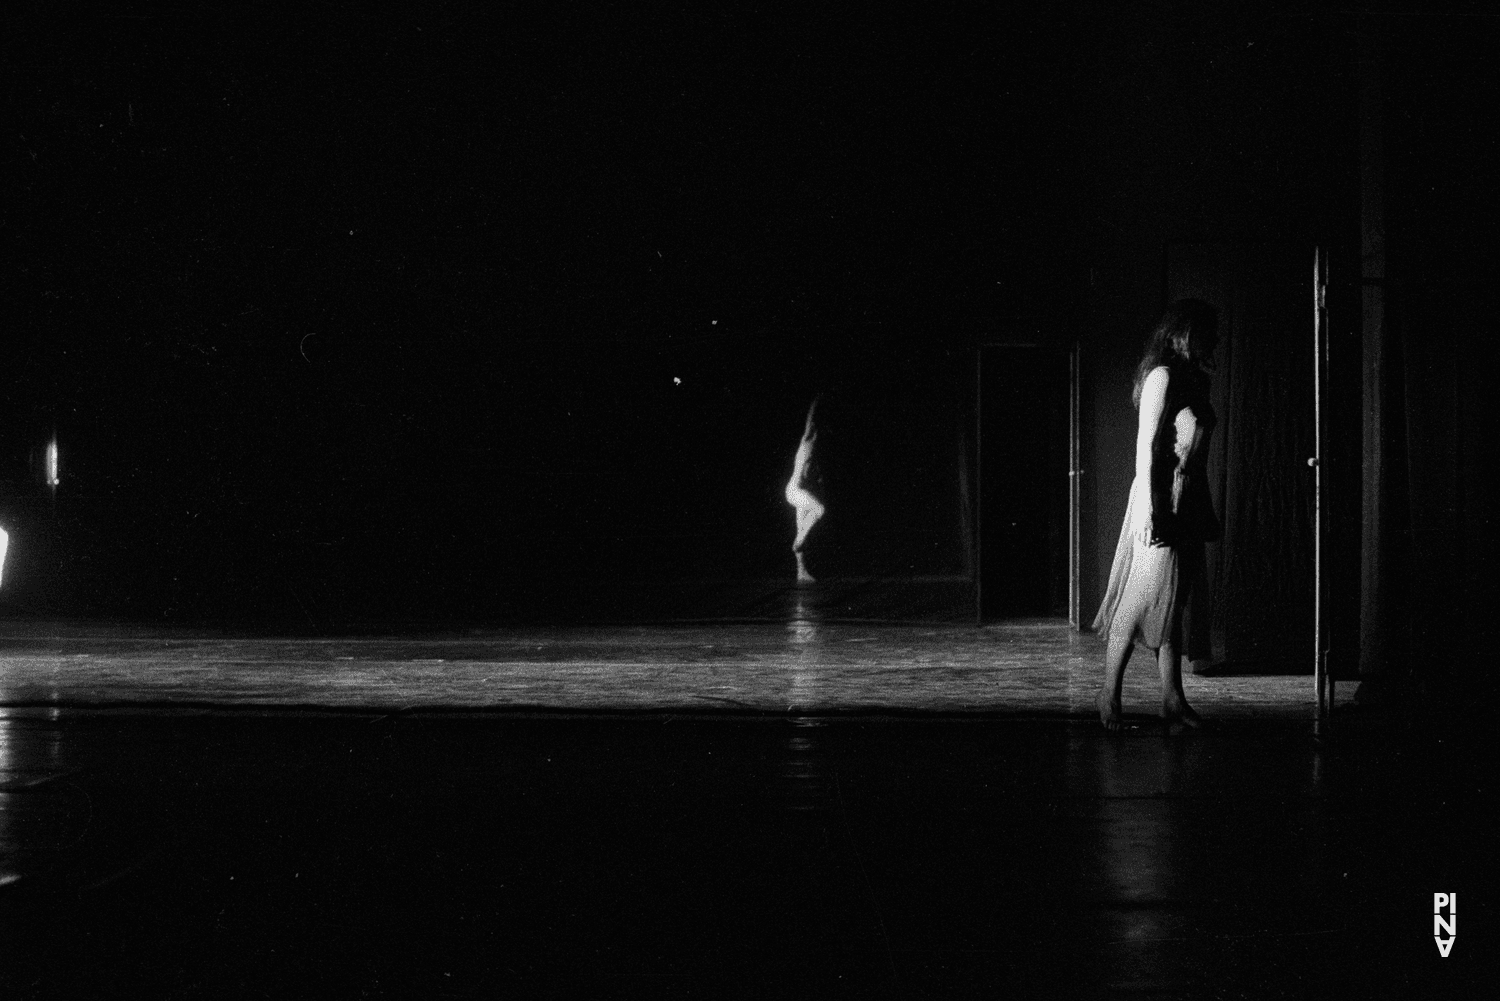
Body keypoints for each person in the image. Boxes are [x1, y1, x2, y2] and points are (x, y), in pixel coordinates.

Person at [1094, 299, 1221, 732]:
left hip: (1189, 497)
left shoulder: (1194, 380)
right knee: (1140, 598)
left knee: (1174, 599)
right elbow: (1145, 449)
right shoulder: (1162, 378)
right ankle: (1108, 693)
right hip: (1162, 496)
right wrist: (1152, 509)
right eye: (1204, 332)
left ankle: (1171, 698)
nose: (1212, 341)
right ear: (1181, 334)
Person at [785, 396, 825, 583]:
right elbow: (811, 424)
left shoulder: (816, 457)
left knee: (803, 525)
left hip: (800, 492)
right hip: (794, 490)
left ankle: (801, 573)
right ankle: (799, 541)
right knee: (819, 510)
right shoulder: (806, 443)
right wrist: (815, 403)